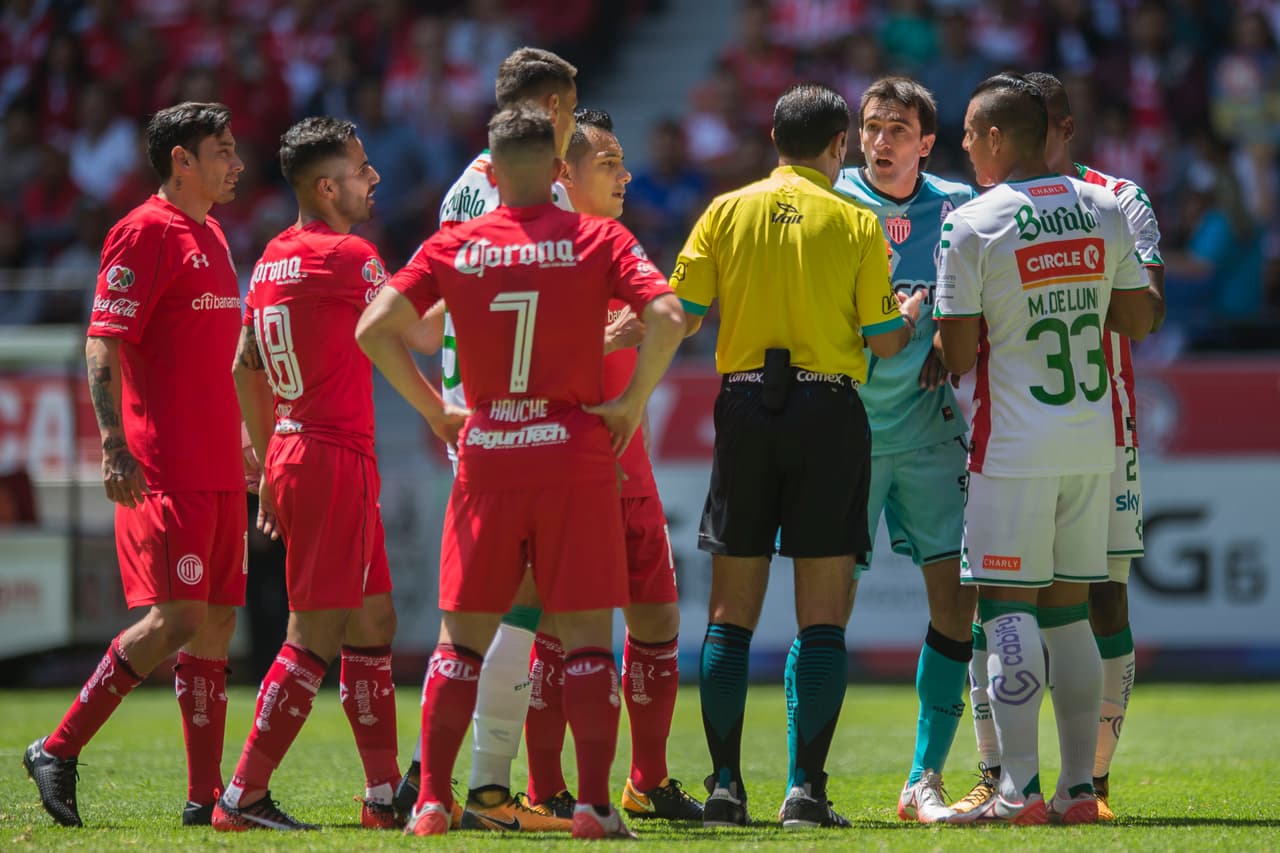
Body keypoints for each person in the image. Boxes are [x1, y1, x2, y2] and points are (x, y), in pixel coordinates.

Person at [356, 106, 686, 839]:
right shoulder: (598, 237)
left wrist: (437, 409)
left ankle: (436, 799)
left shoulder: (457, 242)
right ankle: (597, 807)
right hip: (572, 452)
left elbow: (374, 327)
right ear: (559, 169)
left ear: (493, 170)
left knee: (461, 641)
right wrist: (630, 401)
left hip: (489, 451)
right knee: (588, 640)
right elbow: (667, 314)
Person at [673, 82, 920, 829]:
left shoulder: (725, 210)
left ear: (774, 138)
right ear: (838, 146)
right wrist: (908, 317)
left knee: (729, 613)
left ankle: (723, 789)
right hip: (827, 409)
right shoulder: (854, 221)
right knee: (821, 616)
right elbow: (881, 340)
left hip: (746, 404)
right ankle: (805, 794)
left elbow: (681, 316)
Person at [933, 73, 1154, 826]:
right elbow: (1136, 315)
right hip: (1094, 439)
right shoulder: (1104, 206)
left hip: (1013, 445)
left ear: (998, 138)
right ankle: (1080, 789)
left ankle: (1016, 788)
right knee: (1070, 613)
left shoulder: (972, 221)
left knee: (1005, 611)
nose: (962, 143)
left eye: (968, 130)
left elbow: (958, 353)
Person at [24, 102, 247, 828]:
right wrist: (114, 442)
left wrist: (244, 438)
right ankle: (57, 746)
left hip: (217, 463)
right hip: (167, 464)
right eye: (221, 150)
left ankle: (204, 797)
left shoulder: (212, 233)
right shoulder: (143, 231)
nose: (235, 162)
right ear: (180, 160)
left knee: (215, 624)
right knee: (177, 616)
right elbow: (103, 340)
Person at [392, 46, 581, 833]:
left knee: (502, 599)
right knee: (521, 602)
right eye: (569, 109)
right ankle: (477, 784)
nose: (573, 125)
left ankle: (439, 777)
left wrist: (444, 398)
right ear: (544, 107)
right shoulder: (535, 188)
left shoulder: (461, 187)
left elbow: (425, 313)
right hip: (522, 411)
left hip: (475, 411)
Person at [211, 117, 402, 831]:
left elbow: (243, 364)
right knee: (314, 635)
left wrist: (265, 458)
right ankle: (242, 796)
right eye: (361, 167)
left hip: (301, 450)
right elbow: (410, 327)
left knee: (374, 617)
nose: (373, 177)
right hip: (331, 456)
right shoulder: (350, 256)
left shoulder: (270, 260)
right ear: (328, 187)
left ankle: (384, 794)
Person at [520, 107, 703, 822]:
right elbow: (512, 362)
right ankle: (543, 786)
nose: (626, 175)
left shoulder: (617, 242)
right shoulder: (540, 249)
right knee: (560, 634)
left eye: (625, 163)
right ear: (565, 172)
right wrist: (602, 342)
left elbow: (675, 314)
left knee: (658, 618)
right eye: (610, 164)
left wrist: (657, 321)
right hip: (568, 474)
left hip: (632, 472)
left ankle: (647, 779)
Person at [822, 76, 977, 825]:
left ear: (925, 142)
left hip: (925, 430)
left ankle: (925, 776)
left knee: (958, 599)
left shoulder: (956, 207)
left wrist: (952, 338)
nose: (879, 141)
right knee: (828, 611)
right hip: (843, 431)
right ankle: (804, 780)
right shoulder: (831, 200)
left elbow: (979, 303)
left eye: (896, 128)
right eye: (871, 126)